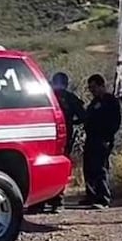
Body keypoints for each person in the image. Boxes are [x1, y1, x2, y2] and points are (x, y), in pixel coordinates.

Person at [38, 71, 84, 213]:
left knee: (41, 166)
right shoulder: (71, 98)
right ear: (66, 83)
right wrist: (70, 122)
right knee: (60, 167)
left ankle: (38, 202)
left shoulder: (45, 97)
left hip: (44, 136)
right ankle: (56, 201)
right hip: (63, 137)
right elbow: (83, 116)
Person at [81, 74, 121, 209]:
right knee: (89, 168)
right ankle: (91, 195)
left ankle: (103, 198)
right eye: (90, 88)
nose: (92, 90)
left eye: (94, 87)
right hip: (91, 138)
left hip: (103, 139)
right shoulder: (94, 102)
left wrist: (106, 136)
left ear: (101, 86)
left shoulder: (110, 101)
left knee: (100, 168)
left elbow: (115, 122)